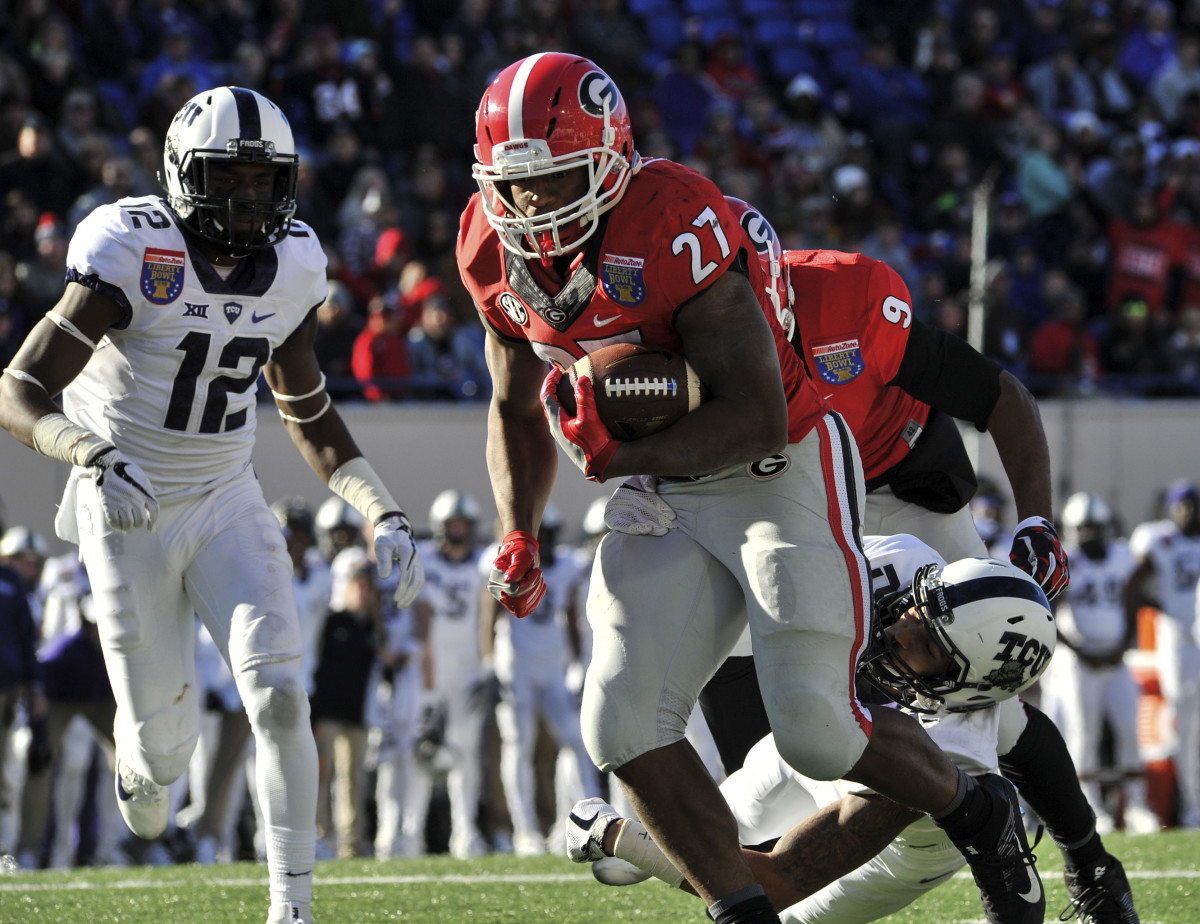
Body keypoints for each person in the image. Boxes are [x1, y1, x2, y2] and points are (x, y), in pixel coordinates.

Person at [458, 52, 1041, 924]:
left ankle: (978, 808)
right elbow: (511, 402)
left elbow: (759, 415)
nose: (536, 206)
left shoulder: (672, 221)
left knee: (817, 729)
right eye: (520, 184)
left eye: (559, 179)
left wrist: (613, 458)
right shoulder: (485, 246)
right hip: (664, 487)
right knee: (619, 724)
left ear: (612, 161)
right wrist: (519, 528)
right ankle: (742, 911)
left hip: (777, 465)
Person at [0, 86, 425, 924]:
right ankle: (143, 753)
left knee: (278, 693)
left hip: (228, 493)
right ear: (181, 175)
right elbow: (18, 387)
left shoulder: (297, 264)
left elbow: (308, 411)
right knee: (166, 755)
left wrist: (382, 509)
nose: (250, 199)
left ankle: (291, 907)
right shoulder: (132, 247)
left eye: (267, 182)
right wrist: (88, 452)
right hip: (126, 501)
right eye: (230, 178)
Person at [702, 198, 1137, 924]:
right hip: (781, 501)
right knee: (741, 663)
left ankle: (1089, 864)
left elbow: (999, 395)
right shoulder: (669, 329)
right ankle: (783, 863)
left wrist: (1036, 519)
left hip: (893, 486)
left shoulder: (851, 297)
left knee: (982, 678)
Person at [568, 533, 1075, 924]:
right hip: (831, 732)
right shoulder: (902, 560)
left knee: (770, 911)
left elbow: (776, 879)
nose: (899, 632)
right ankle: (636, 855)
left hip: (899, 843)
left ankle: (620, 845)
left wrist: (618, 836)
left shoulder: (947, 751)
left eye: (928, 647)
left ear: (966, 689)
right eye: (917, 611)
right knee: (722, 818)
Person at [481, 503, 601, 857]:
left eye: (548, 536)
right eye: (539, 535)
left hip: (552, 671)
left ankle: (591, 821)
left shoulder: (566, 566)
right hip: (515, 670)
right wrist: (488, 664)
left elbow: (568, 614)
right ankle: (524, 831)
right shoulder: (505, 561)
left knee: (577, 740)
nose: (544, 543)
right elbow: (488, 614)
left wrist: (578, 663)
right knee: (519, 745)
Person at [1043, 492, 1160, 835]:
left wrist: (1121, 646)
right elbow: (1048, 610)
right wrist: (1083, 652)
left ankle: (1137, 804)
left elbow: (1134, 597)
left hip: (1116, 658)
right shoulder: (1067, 561)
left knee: (1129, 727)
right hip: (1079, 662)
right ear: (1073, 529)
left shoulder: (1122, 557)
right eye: (1085, 527)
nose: (1092, 534)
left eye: (1097, 527)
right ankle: (1091, 807)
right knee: (1085, 733)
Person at [403, 490, 491, 859]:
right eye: (453, 524)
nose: (459, 530)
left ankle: (465, 832)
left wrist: (488, 666)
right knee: (420, 754)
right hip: (430, 671)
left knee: (464, 754)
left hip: (468, 671)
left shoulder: (483, 564)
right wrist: (424, 682)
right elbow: (420, 621)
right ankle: (409, 835)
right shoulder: (425, 561)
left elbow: (489, 617)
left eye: (464, 524)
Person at [1125, 479, 1200, 829]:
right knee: (1186, 727)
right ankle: (1191, 809)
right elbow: (1132, 584)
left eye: (1194, 504)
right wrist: (1163, 609)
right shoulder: (1161, 540)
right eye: (1183, 504)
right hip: (1182, 643)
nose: (1190, 511)